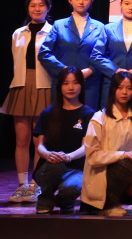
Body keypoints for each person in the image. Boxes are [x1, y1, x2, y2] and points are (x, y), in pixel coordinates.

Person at [3, 0, 53, 204]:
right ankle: (22, 185)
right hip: (21, 86)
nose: (37, 8)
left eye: (41, 5)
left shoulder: (53, 32)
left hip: (44, 86)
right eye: (33, 5)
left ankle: (36, 184)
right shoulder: (18, 33)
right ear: (27, 8)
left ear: (48, 8)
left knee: (39, 140)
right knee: (22, 139)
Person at [82, 71, 132, 216]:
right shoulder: (100, 117)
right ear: (113, 90)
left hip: (130, 170)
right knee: (129, 162)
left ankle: (116, 201)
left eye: (129, 88)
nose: (124, 92)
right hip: (103, 171)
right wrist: (122, 155)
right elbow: (92, 155)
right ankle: (108, 204)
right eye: (120, 88)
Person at [32, 67, 94, 214]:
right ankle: (45, 200)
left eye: (75, 83)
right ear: (60, 86)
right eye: (66, 83)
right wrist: (48, 154)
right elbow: (39, 145)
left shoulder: (88, 114)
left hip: (75, 168)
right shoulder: (48, 113)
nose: (70, 87)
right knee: (55, 165)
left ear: (81, 85)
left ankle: (65, 202)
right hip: (49, 168)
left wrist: (68, 156)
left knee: (70, 189)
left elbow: (86, 146)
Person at [39, 0, 105, 105]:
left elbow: (104, 55)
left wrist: (90, 71)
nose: (81, 2)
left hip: (89, 83)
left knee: (87, 116)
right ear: (70, 0)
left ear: (92, 1)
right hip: (63, 81)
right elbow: (44, 53)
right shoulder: (59, 25)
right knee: (61, 116)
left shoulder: (100, 27)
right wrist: (64, 70)